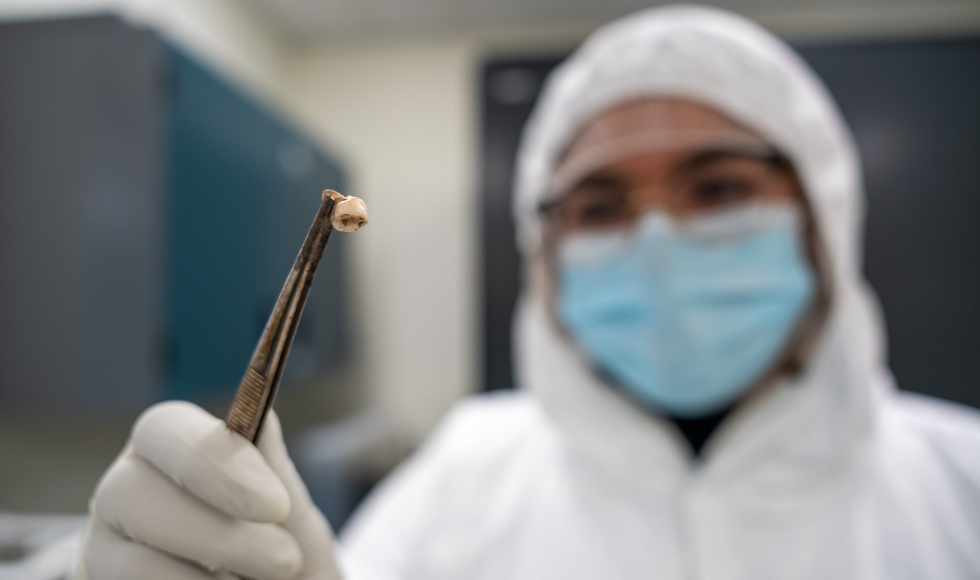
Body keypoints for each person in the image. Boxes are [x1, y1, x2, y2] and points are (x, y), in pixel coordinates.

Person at [72, 5, 980, 580]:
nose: (658, 239)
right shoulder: (468, 474)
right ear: (545, 252)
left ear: (825, 217)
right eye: (599, 204)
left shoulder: (962, 485)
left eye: (719, 189)